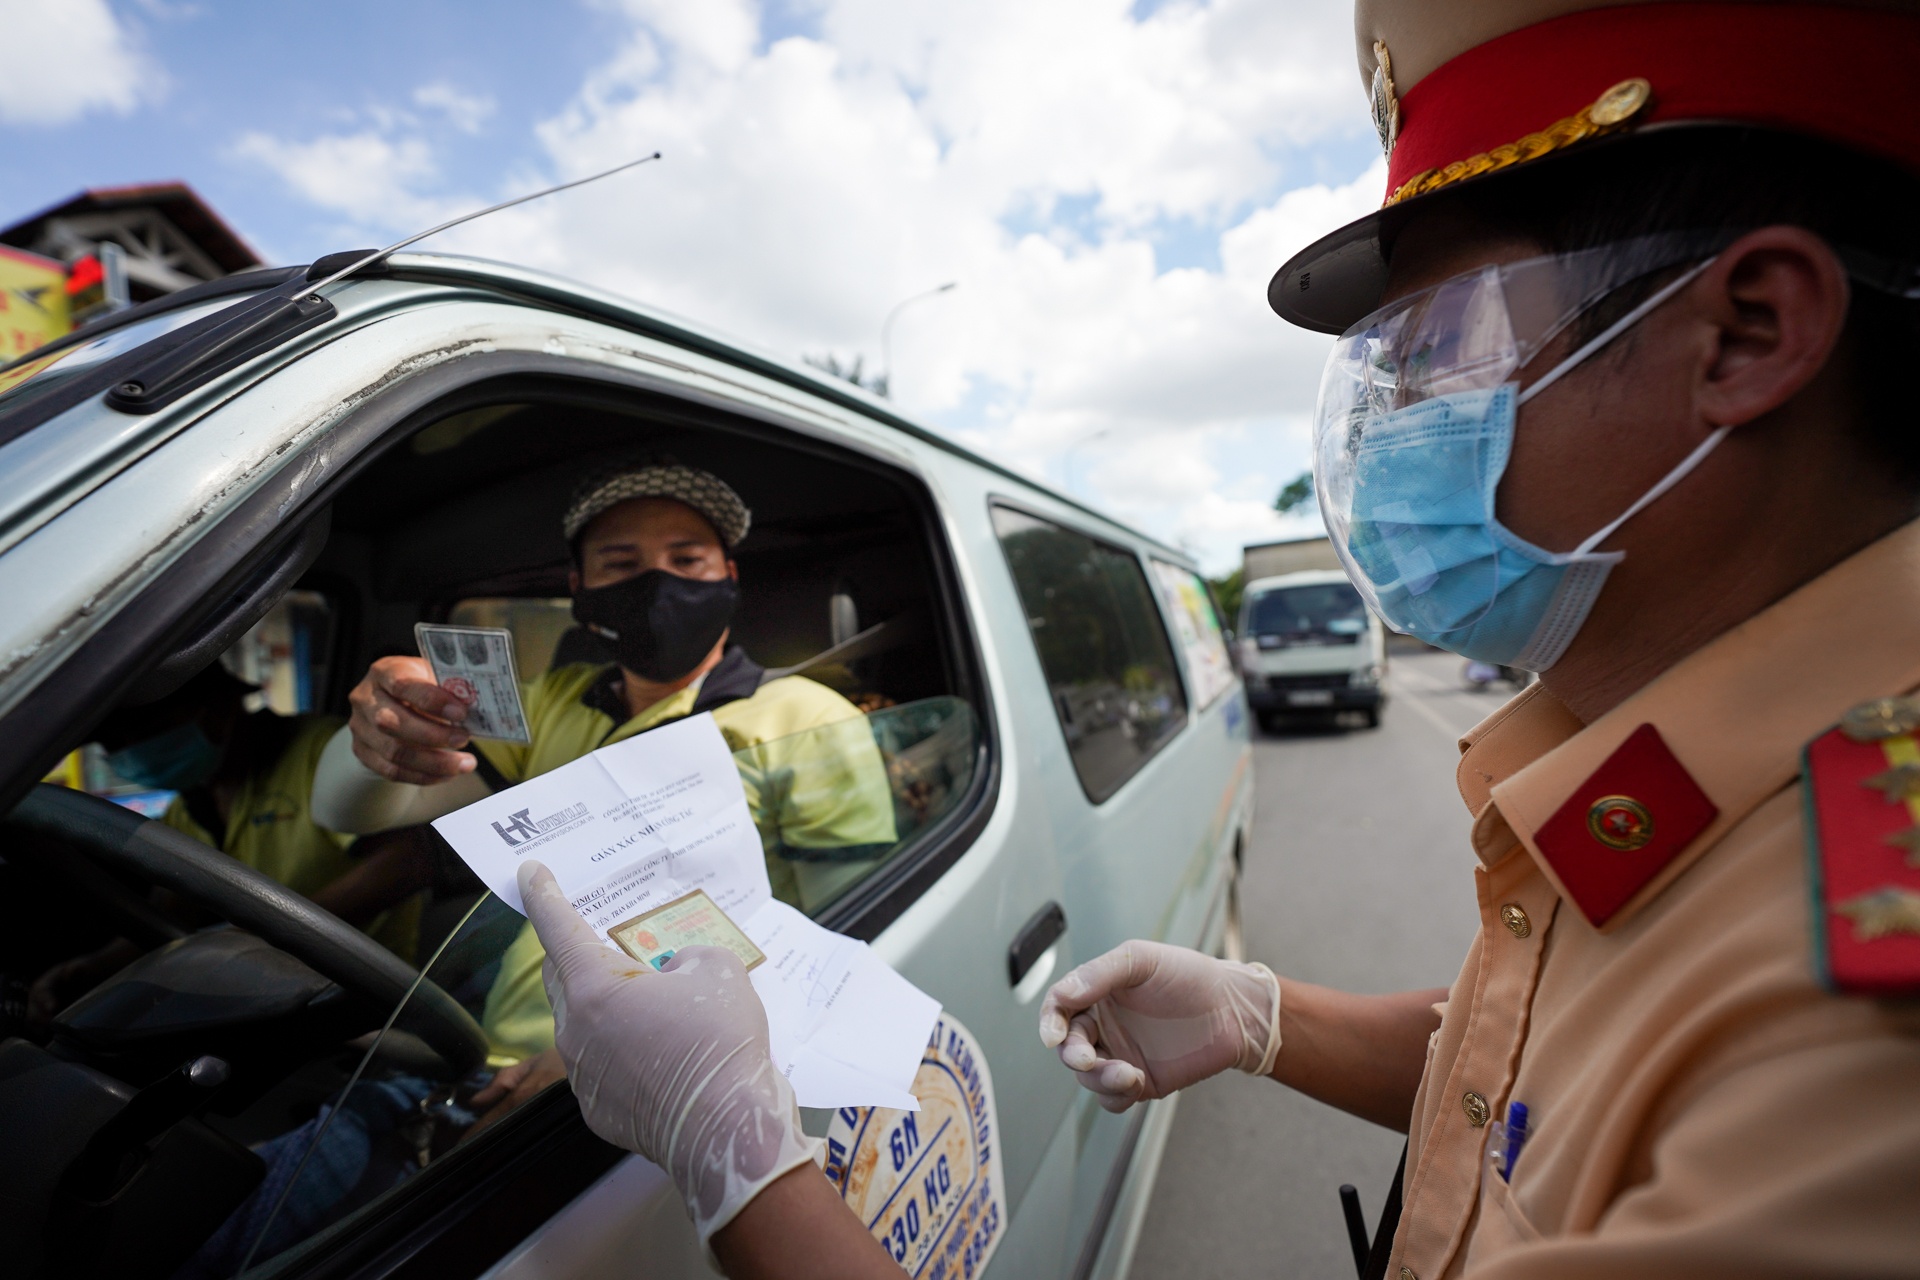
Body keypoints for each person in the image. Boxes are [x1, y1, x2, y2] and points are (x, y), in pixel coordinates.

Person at [502, 2, 1920, 1276]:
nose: (1393, 416)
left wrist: (743, 1163)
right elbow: (1543, 1065)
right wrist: (1266, 1017)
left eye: (1436, 347)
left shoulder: (1865, 1043)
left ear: (1743, 333)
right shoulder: (1705, 784)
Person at [310, 460, 896, 1115]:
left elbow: (850, 938)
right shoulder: (548, 705)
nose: (657, 582)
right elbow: (354, 810)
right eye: (621, 564)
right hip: (485, 1060)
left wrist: (618, 1052)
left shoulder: (802, 717)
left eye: (687, 558)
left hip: (673, 1083)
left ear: (729, 578)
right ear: (578, 589)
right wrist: (379, 736)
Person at [29, 665, 430, 1021]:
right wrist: (86, 972)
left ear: (218, 712)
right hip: (266, 1000)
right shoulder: (190, 806)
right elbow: (170, 916)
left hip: (364, 1005)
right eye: (114, 746)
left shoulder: (316, 753)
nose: (128, 754)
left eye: (143, 734)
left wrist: (259, 939)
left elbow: (405, 861)